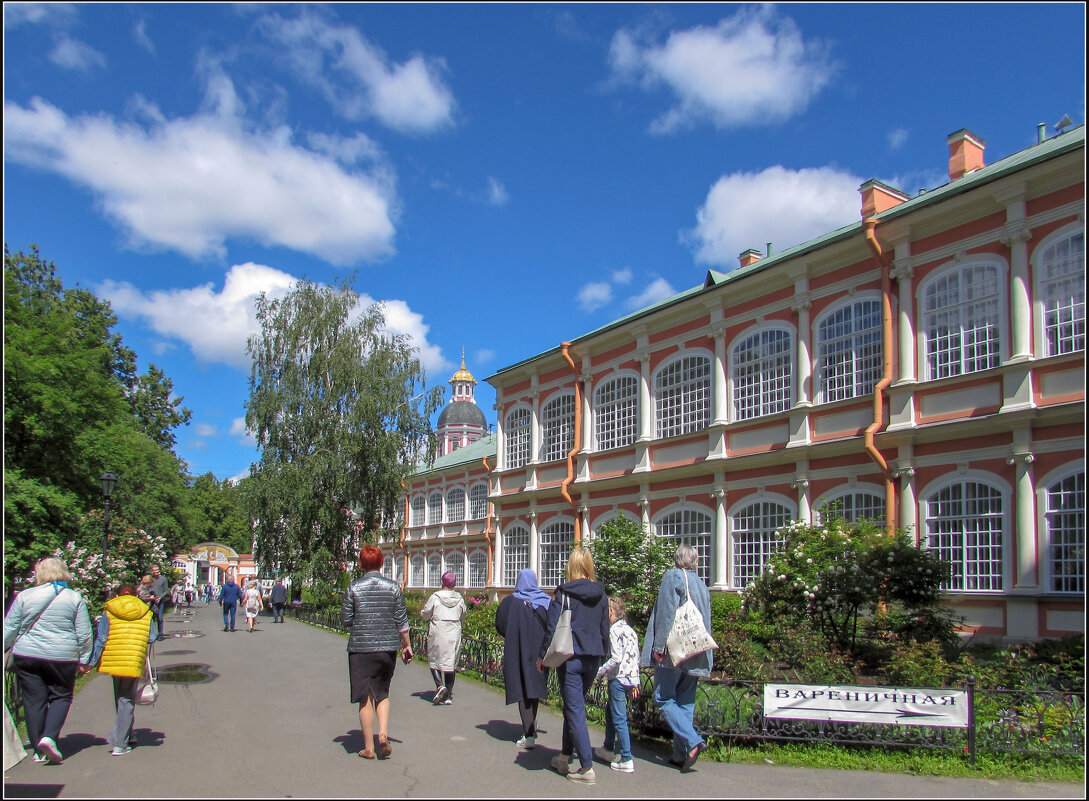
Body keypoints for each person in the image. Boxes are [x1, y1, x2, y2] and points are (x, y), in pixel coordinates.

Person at [3, 557, 94, 764]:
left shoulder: (25, 596)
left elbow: (10, 627)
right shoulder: (74, 598)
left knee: (33, 700)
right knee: (61, 696)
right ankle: (49, 736)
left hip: (28, 655)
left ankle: (38, 749)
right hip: (63, 656)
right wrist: (85, 657)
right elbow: (84, 633)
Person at [536, 546, 610, 785]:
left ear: (571, 567)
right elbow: (604, 629)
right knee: (573, 705)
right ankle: (565, 756)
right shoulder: (601, 594)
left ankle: (586, 767)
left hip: (570, 657)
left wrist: (542, 658)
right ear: (589, 566)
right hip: (593, 656)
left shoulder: (564, 592)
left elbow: (552, 627)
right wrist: (604, 655)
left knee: (575, 709)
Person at [642, 544, 712, 772]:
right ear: (695, 561)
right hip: (696, 650)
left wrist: (659, 645)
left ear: (677, 559)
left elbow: (666, 612)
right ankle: (681, 754)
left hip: (674, 650)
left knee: (663, 698)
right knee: (685, 701)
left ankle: (693, 741)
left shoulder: (672, 577)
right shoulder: (701, 583)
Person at [341, 545, 412, 760]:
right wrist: (407, 645)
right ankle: (382, 734)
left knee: (365, 697)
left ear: (361, 564)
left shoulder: (353, 588)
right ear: (381, 563)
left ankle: (369, 747)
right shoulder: (393, 587)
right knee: (382, 693)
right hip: (387, 648)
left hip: (361, 648)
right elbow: (402, 621)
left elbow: (346, 620)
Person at [88, 583, 155, 756]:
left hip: (114, 658)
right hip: (133, 658)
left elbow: (101, 638)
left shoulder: (110, 610)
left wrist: (91, 661)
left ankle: (126, 735)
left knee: (120, 698)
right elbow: (152, 637)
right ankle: (121, 743)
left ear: (117, 595)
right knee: (126, 700)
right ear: (136, 595)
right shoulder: (146, 611)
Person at [494, 569, 551, 749]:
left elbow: (500, 625)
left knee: (522, 690)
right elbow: (553, 626)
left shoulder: (510, 602)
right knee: (533, 689)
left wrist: (514, 633)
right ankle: (531, 728)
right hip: (540, 653)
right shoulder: (546, 601)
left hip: (518, 649)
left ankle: (528, 734)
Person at [594, 596, 641, 773]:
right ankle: (607, 747)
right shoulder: (630, 630)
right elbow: (635, 657)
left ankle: (627, 757)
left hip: (618, 678)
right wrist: (636, 682)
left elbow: (616, 658)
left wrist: (599, 672)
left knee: (619, 717)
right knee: (611, 712)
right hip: (630, 678)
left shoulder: (613, 630)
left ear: (611, 612)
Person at [420, 572, 466, 705]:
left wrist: (423, 615)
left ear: (442, 582)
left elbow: (426, 613)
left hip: (438, 630)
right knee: (451, 662)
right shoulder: (459, 598)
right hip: (454, 631)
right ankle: (448, 696)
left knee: (434, 659)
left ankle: (440, 685)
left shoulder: (435, 597)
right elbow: (463, 615)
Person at [148, 566, 170, 642]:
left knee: (160, 618)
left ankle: (160, 634)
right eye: (154, 570)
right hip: (152, 601)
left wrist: (160, 597)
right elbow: (148, 588)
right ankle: (152, 635)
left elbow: (166, 590)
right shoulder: (151, 579)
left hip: (160, 601)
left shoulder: (163, 579)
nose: (156, 571)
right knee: (151, 618)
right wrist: (151, 596)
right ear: (152, 571)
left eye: (157, 570)